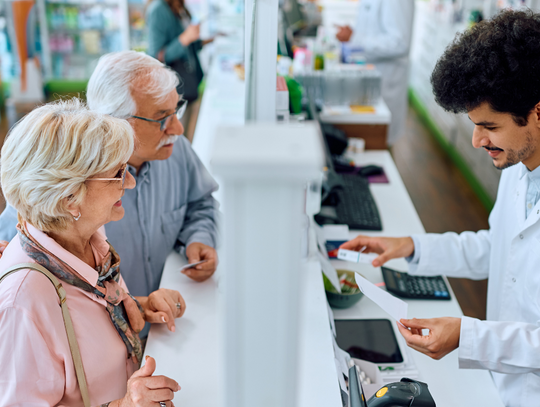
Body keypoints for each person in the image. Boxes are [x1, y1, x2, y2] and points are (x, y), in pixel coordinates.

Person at [341, 10, 540, 406]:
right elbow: (498, 247)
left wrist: (469, 337)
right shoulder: (520, 166)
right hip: (505, 384)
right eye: (473, 123)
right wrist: (411, 247)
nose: (476, 140)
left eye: (490, 126)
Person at [0, 99, 185, 405]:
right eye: (118, 173)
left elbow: (81, 318)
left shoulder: (87, 238)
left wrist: (137, 305)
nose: (130, 182)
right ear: (69, 198)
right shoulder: (21, 304)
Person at [0, 51, 219, 300]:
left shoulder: (175, 149)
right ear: (116, 120)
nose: (177, 129)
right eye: (161, 118)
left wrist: (199, 238)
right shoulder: (68, 180)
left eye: (176, 110)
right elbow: (14, 248)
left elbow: (201, 203)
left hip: (164, 324)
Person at [335, 0, 415, 146]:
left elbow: (399, 43)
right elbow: (371, 29)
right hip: (369, 76)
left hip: (386, 81)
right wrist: (353, 34)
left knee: (380, 142)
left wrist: (355, 38)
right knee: (369, 140)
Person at [146, 0, 213, 138]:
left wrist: (206, 40)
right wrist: (185, 38)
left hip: (188, 84)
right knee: (176, 137)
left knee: (185, 134)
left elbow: (186, 47)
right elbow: (155, 56)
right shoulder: (158, 9)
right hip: (174, 88)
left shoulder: (179, 6)